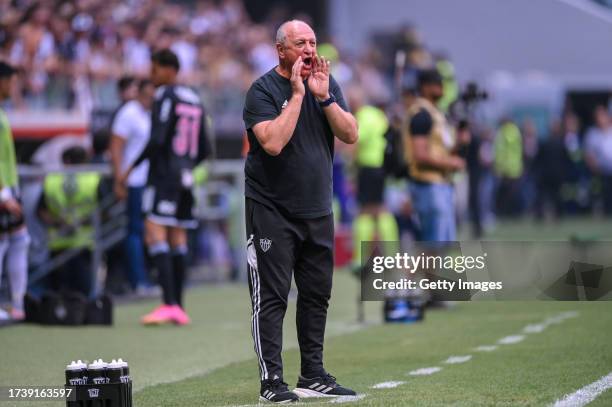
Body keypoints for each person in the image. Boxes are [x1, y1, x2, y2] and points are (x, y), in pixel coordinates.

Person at [242, 20, 358, 403]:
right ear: (281, 50)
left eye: (312, 41)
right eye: (300, 43)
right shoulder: (261, 90)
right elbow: (273, 143)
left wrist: (324, 98)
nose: (310, 49)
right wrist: (297, 94)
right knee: (272, 297)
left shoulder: (326, 82)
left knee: (316, 295)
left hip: (318, 209)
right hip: (272, 210)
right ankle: (271, 381)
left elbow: (350, 133)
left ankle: (313, 374)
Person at [121, 49, 211, 326]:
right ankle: (179, 307)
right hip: (185, 178)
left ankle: (168, 303)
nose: (152, 74)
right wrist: (186, 167)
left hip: (163, 178)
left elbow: (158, 139)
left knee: (154, 233)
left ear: (169, 69)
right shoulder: (194, 97)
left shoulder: (164, 95)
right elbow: (205, 147)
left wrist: (131, 167)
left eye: (155, 68)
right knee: (178, 240)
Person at [404, 68, 468, 242]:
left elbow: (442, 149)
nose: (442, 88)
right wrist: (451, 163)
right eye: (437, 84)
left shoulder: (435, 114)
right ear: (424, 87)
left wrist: (460, 141)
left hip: (441, 184)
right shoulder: (421, 114)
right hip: (428, 186)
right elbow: (420, 155)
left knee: (443, 245)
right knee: (433, 245)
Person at [109, 79, 158, 295]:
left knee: (147, 231)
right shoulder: (128, 113)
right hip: (134, 180)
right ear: (138, 93)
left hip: (147, 179)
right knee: (135, 231)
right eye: (148, 96)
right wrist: (120, 180)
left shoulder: (147, 114)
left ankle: (144, 277)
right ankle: (137, 280)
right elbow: (116, 148)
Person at [37, 146, 101, 298]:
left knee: (57, 294)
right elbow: (104, 209)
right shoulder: (93, 178)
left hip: (58, 242)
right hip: (84, 242)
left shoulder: (53, 179)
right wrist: (84, 221)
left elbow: (41, 211)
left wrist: (59, 222)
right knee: (83, 293)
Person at [0, 61, 29, 322]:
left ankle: (18, 303)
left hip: (10, 188)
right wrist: (3, 195)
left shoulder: (2, 112)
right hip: (3, 192)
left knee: (19, 240)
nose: (12, 87)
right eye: (10, 81)